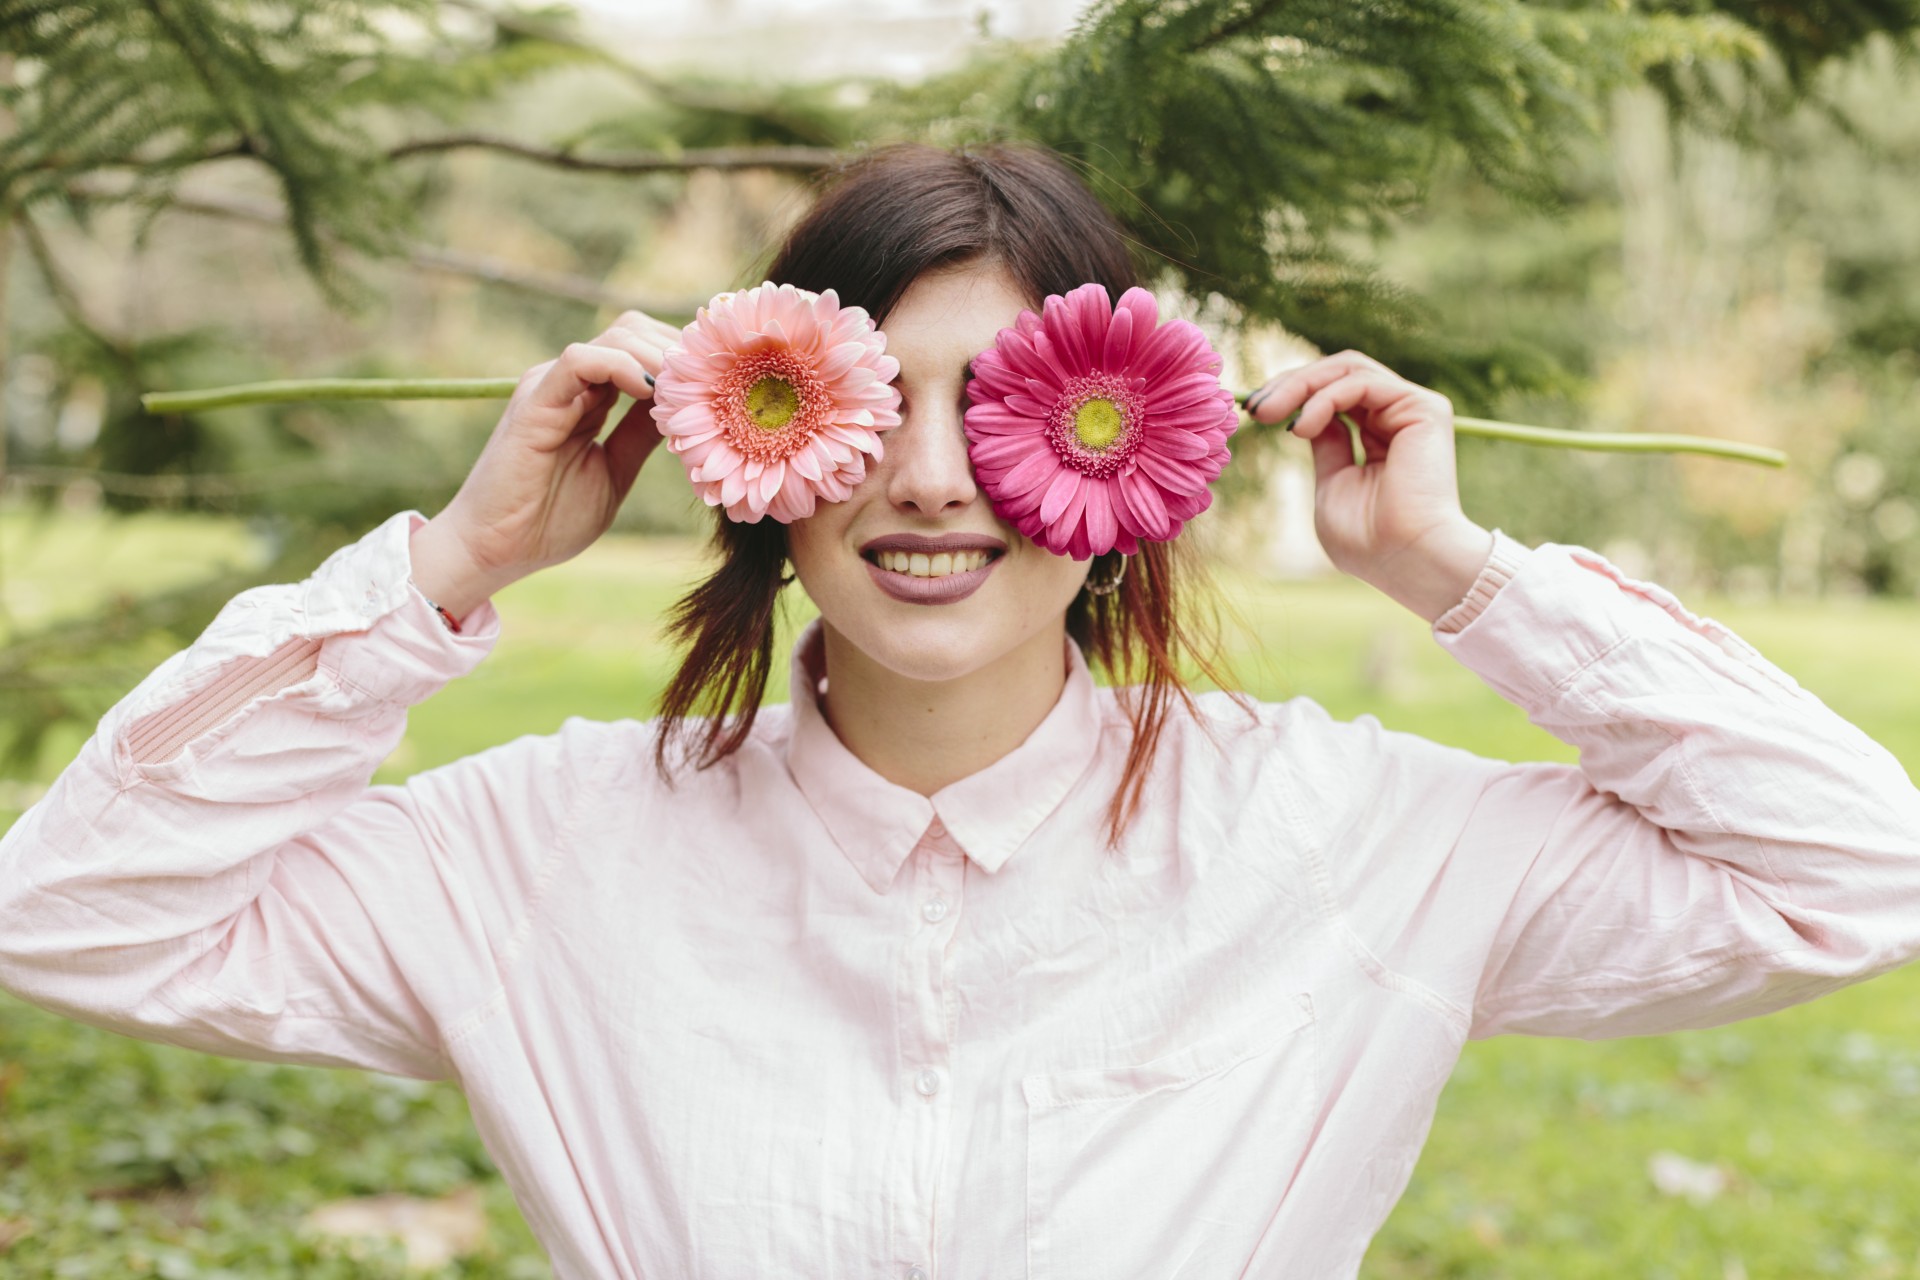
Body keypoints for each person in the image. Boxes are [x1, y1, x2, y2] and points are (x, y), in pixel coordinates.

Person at [2, 141, 1917, 1280]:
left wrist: (1459, 576)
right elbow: (71, 916)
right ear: (756, 443)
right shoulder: (543, 851)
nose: (930, 481)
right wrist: (454, 564)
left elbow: (1856, 872)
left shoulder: (1349, 840)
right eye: (870, 405)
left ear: (1143, 452)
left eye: (1007, 404)